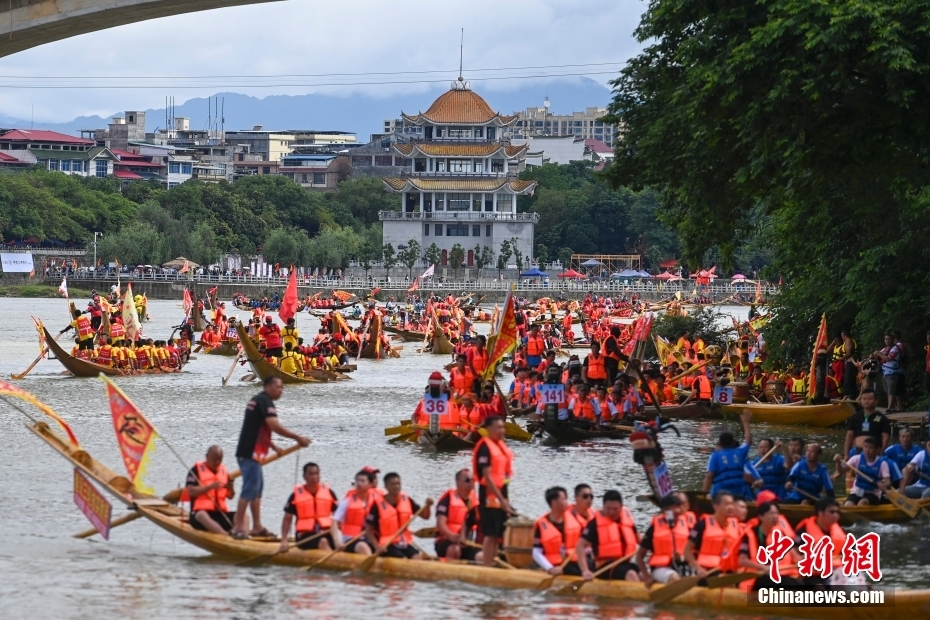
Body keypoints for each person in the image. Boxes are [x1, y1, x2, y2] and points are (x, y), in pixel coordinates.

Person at [232, 377, 311, 540]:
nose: (281, 390)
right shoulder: (264, 401)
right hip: (249, 453)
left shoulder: (259, 400)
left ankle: (257, 526)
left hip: (253, 452)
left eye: (282, 387)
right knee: (248, 490)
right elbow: (274, 425)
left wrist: (274, 447)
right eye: (278, 387)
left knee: (257, 491)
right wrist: (297, 438)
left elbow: (259, 428)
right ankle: (239, 528)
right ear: (267, 387)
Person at [731, 502, 803, 590]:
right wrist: (763, 567)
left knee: (800, 584)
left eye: (776, 513)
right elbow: (742, 561)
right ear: (761, 516)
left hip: (778, 573)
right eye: (771, 513)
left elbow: (795, 556)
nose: (775, 516)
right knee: (789, 584)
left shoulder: (780, 534)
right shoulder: (750, 534)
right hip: (756, 576)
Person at [473, 416, 514, 567]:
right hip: (489, 495)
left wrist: (505, 499)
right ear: (489, 429)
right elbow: (487, 477)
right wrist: (501, 500)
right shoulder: (485, 448)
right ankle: (487, 564)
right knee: (490, 534)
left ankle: (493, 562)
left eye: (503, 427)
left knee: (498, 534)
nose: (501, 431)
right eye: (498, 427)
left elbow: (503, 477)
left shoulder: (500, 446)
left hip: (501, 493)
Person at [575, 490, 640, 581]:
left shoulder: (627, 522)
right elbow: (580, 545)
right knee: (631, 574)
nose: (611, 512)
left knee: (643, 575)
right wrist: (585, 570)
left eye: (615, 509)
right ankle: (641, 594)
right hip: (604, 567)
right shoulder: (594, 524)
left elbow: (641, 542)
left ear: (621, 507)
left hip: (624, 563)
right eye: (608, 508)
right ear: (603, 506)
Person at [364, 472, 433, 559]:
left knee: (417, 558)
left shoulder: (407, 500)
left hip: (405, 542)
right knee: (403, 559)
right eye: (393, 484)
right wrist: (377, 547)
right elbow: (368, 530)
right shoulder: (377, 505)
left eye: (398, 484)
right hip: (387, 545)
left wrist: (428, 506)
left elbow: (425, 516)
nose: (396, 487)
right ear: (386, 486)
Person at [279, 462, 339, 552]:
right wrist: (284, 540)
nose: (314, 477)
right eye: (311, 474)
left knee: (335, 542)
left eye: (316, 473)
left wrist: (338, 537)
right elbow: (287, 519)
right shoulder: (295, 495)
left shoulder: (329, 492)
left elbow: (338, 516)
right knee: (323, 541)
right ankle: (335, 563)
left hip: (325, 532)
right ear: (304, 476)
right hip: (304, 536)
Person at [636, 493, 689, 587]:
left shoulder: (686, 526)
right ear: (664, 511)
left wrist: (681, 557)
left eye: (678, 508)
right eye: (672, 509)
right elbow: (639, 556)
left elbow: (693, 552)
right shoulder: (653, 529)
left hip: (681, 565)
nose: (677, 511)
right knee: (674, 577)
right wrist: (647, 576)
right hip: (660, 568)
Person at [794, 498, 846, 588]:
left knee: (864, 586)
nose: (836, 515)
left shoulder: (839, 532)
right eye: (832, 512)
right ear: (820, 513)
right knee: (820, 589)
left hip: (834, 570)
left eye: (837, 512)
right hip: (812, 573)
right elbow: (795, 554)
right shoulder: (803, 531)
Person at [684, 490, 738, 577]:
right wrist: (698, 568)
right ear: (716, 506)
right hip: (706, 570)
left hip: (727, 568)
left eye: (732, 504)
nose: (731, 507)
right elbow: (687, 551)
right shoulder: (702, 524)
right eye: (727, 504)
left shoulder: (735, 525)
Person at [533, 486, 584, 576]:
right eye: (564, 499)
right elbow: (536, 552)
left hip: (572, 560)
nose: (567, 503)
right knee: (575, 572)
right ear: (554, 502)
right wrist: (550, 568)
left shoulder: (573, 518)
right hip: (554, 564)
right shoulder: (541, 524)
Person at [703, 410, 753, 499]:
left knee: (709, 496)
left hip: (721, 492)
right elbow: (748, 440)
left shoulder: (715, 455)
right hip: (738, 492)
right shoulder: (740, 452)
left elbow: (710, 476)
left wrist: (703, 494)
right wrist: (746, 422)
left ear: (720, 443)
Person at [185, 445, 235, 534]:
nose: (217, 462)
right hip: (200, 516)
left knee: (242, 516)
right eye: (214, 459)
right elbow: (190, 492)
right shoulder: (195, 470)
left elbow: (230, 496)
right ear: (207, 456)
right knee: (201, 515)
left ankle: (242, 534)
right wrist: (210, 487)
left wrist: (231, 488)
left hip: (220, 515)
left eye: (220, 460)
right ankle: (225, 535)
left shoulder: (224, 471)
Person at [435, 469, 481, 562]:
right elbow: (440, 524)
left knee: (482, 556)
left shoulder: (475, 500)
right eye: (467, 480)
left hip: (468, 541)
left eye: (473, 480)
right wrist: (452, 536)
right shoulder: (448, 499)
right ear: (458, 482)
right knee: (455, 550)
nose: (471, 483)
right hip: (446, 540)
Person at [835, 436, 892, 506]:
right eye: (865, 447)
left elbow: (888, 482)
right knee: (848, 505)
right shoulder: (856, 459)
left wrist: (883, 484)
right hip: (857, 491)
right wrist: (838, 463)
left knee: (862, 503)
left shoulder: (882, 464)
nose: (867, 450)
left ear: (878, 450)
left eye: (871, 448)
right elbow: (841, 472)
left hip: (872, 493)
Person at [333, 469, 377, 555]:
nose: (359, 483)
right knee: (363, 546)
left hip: (369, 537)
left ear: (370, 484)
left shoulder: (376, 501)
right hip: (350, 539)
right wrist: (337, 541)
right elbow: (334, 522)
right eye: (357, 480)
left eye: (362, 481)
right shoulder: (348, 501)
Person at [842, 389, 891, 457]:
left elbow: (886, 438)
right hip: (857, 451)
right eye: (864, 399)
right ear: (860, 401)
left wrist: (881, 453)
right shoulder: (855, 417)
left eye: (870, 399)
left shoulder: (882, 418)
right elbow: (849, 436)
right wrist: (846, 454)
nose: (867, 401)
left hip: (875, 453)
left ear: (876, 401)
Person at [874, 333, 902, 412]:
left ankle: (889, 408)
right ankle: (891, 407)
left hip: (892, 372)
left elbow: (888, 358)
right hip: (885, 372)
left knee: (891, 390)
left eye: (889, 339)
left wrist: (878, 354)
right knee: (887, 390)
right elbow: (877, 356)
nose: (887, 341)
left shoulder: (895, 348)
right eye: (886, 339)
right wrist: (875, 355)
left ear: (893, 340)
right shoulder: (884, 349)